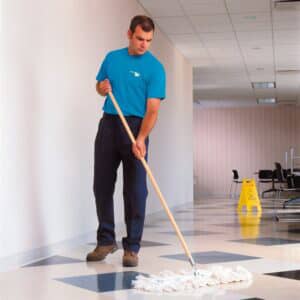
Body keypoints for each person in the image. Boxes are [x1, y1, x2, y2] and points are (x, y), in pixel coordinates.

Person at [86, 15, 166, 267]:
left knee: (136, 191)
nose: (144, 44)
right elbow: (99, 87)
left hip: (136, 126)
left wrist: (141, 138)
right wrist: (102, 87)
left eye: (149, 40)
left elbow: (153, 109)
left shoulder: (155, 68)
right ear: (129, 34)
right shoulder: (112, 58)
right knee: (101, 185)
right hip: (109, 123)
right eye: (140, 38)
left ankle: (131, 248)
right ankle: (106, 240)